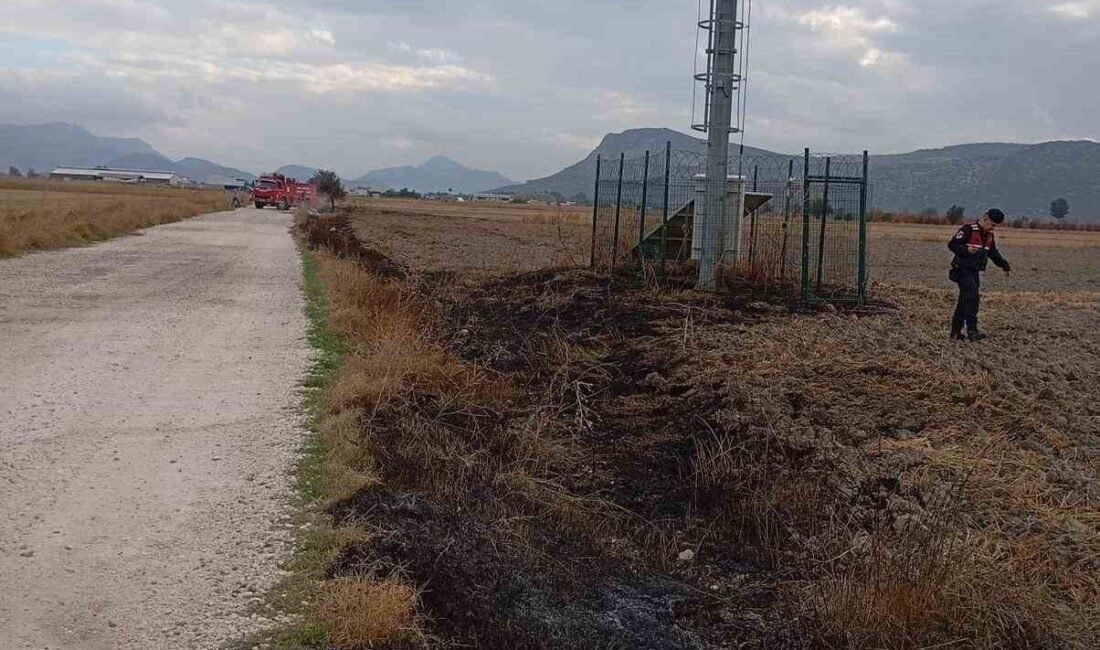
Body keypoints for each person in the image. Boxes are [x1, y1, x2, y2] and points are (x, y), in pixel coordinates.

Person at [948, 208, 1011, 341]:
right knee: (973, 297)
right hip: (962, 269)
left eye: (995, 226)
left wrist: (1004, 265)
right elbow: (952, 245)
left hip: (974, 271)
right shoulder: (968, 229)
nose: (993, 228)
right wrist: (966, 249)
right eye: (992, 225)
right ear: (985, 218)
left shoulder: (989, 236)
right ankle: (972, 331)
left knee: (964, 301)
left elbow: (993, 253)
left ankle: (955, 332)